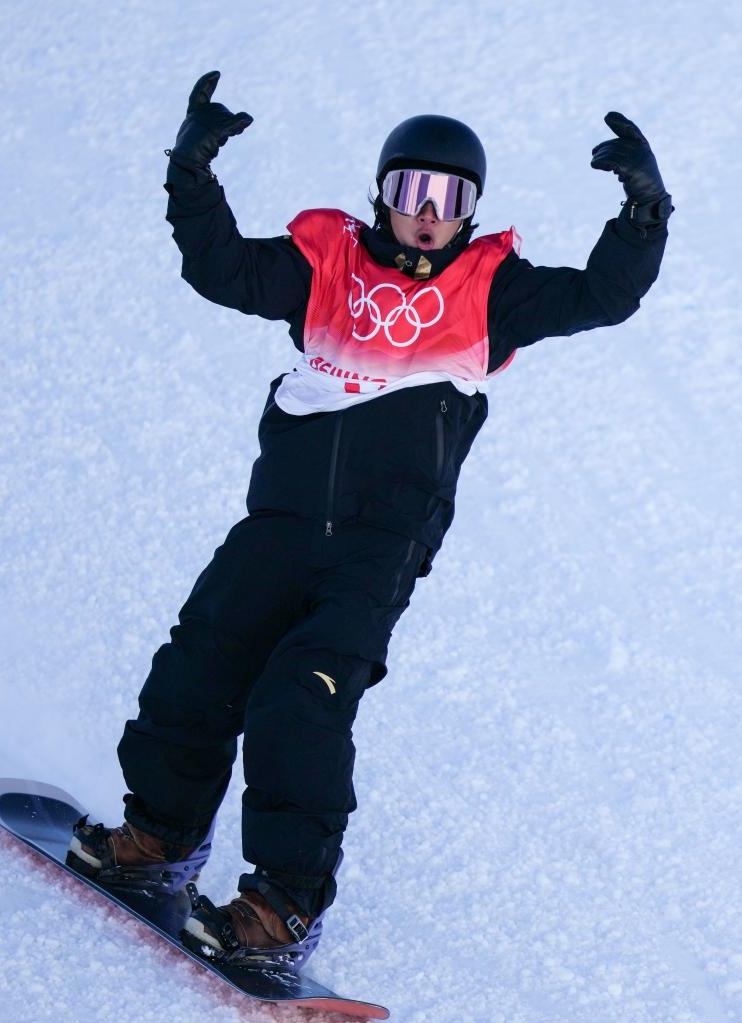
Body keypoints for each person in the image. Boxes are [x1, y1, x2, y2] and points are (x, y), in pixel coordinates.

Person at [69, 71, 671, 965]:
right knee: (200, 663)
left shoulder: (491, 291)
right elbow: (223, 269)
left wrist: (643, 215)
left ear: (470, 212)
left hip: (378, 546)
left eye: (449, 198)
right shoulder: (328, 264)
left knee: (301, 700)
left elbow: (602, 297)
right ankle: (159, 835)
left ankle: (283, 903)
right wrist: (190, 178)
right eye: (411, 189)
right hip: (279, 520)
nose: (427, 213)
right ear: (382, 193)